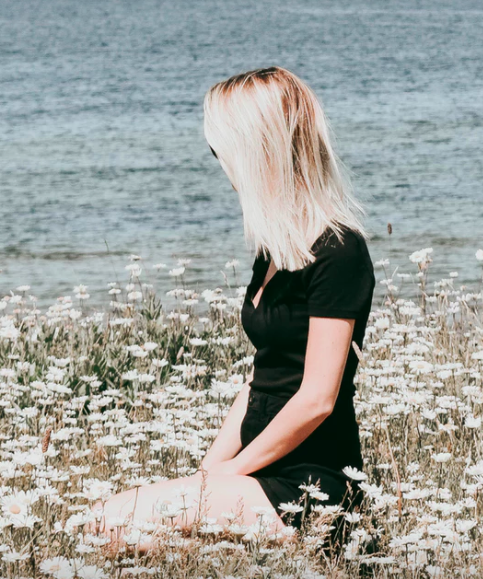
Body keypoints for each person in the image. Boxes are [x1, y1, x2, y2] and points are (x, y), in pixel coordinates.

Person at [90, 66, 376, 553]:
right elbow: (260, 380)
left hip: (310, 484)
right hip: (258, 467)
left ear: (257, 151)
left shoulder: (338, 250)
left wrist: (228, 474)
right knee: (110, 524)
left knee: (110, 524)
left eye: (220, 149)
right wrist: (207, 473)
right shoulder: (277, 250)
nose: (219, 162)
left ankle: (335, 548)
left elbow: (316, 399)